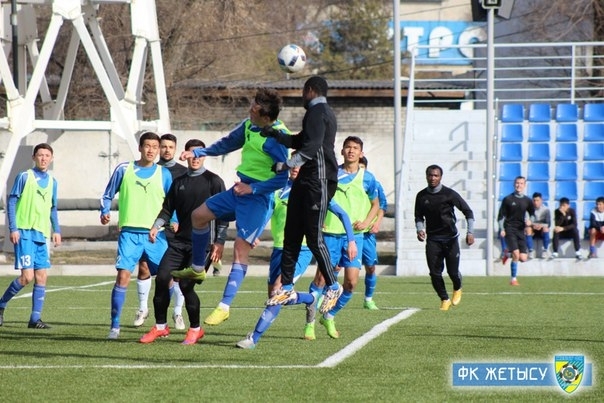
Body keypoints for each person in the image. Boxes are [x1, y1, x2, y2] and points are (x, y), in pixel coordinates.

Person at [174, 88, 290, 327]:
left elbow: (282, 178)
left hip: (258, 198)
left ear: (266, 116)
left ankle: (224, 307)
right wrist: (200, 151)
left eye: (254, 108)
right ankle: (198, 268)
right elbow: (228, 143)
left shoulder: (278, 139)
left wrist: (253, 189)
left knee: (239, 249)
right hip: (239, 190)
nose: (250, 110)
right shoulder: (249, 125)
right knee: (199, 216)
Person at [235, 165, 356, 349]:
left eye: (300, 166)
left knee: (278, 292)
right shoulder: (279, 191)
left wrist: (351, 240)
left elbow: (343, 214)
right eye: (293, 165)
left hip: (302, 250)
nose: (295, 169)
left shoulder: (315, 192)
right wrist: (255, 234)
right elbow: (266, 215)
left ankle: (253, 338)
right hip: (279, 250)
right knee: (275, 297)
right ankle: (310, 299)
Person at [263, 76, 343, 314]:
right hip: (305, 181)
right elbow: (300, 140)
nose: (301, 95)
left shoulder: (319, 111)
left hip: (319, 181)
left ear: (310, 90)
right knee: (292, 234)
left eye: (302, 91)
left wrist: (285, 165)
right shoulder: (314, 114)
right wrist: (276, 134)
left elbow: (311, 146)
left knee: (313, 237)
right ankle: (287, 287)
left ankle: (333, 286)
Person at [140, 139, 228, 345]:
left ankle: (195, 329)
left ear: (205, 156)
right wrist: (156, 226)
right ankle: (160, 327)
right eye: (192, 153)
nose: (195, 158)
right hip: (178, 244)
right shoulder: (179, 182)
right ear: (186, 155)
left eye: (200, 154)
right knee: (162, 279)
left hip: (202, 247)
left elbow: (224, 214)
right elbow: (167, 209)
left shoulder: (214, 181)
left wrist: (220, 241)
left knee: (187, 286)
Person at [305, 136, 380, 339]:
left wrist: (366, 222)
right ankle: (309, 323)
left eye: (355, 148)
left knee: (351, 283)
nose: (351, 151)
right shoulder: (332, 174)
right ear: (342, 151)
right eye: (348, 147)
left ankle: (329, 316)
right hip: (330, 233)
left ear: (361, 153)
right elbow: (320, 198)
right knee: (321, 279)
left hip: (355, 237)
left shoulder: (368, 178)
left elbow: (376, 204)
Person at [100, 131, 172, 340]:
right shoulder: (124, 169)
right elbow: (107, 194)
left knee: (166, 279)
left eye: (155, 147)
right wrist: (105, 210)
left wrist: (174, 220)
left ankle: (162, 324)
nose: (151, 150)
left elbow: (172, 202)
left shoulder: (164, 174)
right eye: (147, 146)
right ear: (140, 148)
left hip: (155, 235)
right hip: (129, 234)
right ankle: (115, 326)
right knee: (123, 276)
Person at [0, 143, 61, 329]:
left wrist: (56, 230)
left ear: (51, 158)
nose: (43, 158)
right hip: (24, 232)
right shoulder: (24, 177)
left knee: (42, 276)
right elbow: (12, 202)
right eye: (40, 155)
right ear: (34, 157)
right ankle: (1, 305)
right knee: (27, 277)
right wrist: (13, 228)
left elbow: (53, 208)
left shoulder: (53, 182)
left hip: (41, 234)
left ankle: (35, 319)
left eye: (47, 155)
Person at [134, 133, 188, 329]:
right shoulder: (150, 170)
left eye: (170, 147)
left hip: (177, 228)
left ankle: (177, 312)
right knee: (144, 266)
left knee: (176, 273)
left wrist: (178, 220)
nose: (166, 150)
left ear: (175, 149)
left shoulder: (183, 172)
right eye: (163, 146)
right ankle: (142, 308)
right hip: (153, 227)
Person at [415, 164, 474, 310]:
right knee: (434, 273)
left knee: (452, 272)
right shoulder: (421, 196)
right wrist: (420, 229)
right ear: (426, 176)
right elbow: (418, 216)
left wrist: (470, 232)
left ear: (441, 177)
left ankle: (457, 287)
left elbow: (468, 212)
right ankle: (444, 299)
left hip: (450, 239)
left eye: (436, 175)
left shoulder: (449, 194)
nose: (433, 178)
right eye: (430, 175)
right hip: (433, 240)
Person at [358, 156, 387, 310]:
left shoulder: (373, 183)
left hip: (367, 233)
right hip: (348, 231)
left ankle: (368, 299)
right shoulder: (344, 180)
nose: (359, 170)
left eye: (362, 167)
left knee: (370, 267)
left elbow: (381, 205)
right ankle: (325, 296)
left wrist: (376, 223)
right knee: (335, 267)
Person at [497, 176, 534, 286]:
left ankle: (507, 253)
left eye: (521, 183)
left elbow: (532, 214)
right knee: (516, 254)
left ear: (524, 185)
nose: (519, 185)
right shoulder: (508, 199)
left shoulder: (527, 200)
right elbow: (500, 217)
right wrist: (502, 229)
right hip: (509, 229)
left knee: (523, 258)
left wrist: (530, 221)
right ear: (514, 184)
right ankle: (513, 279)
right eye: (517, 183)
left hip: (521, 230)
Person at [525, 192, 551, 259]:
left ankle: (545, 250)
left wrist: (540, 226)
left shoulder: (546, 210)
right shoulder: (528, 209)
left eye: (537, 200)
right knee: (528, 229)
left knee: (546, 229)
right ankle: (530, 251)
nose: (536, 202)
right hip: (533, 229)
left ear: (541, 200)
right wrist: (533, 225)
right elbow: (527, 221)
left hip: (541, 229)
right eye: (534, 200)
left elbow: (548, 223)